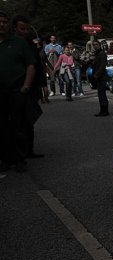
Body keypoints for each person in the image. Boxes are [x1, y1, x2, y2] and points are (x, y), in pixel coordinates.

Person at [0, 10, 35, 173]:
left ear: (9, 25)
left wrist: (26, 86)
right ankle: (5, 159)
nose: (2, 24)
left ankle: (20, 159)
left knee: (18, 125)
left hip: (17, 90)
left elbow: (30, 65)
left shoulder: (20, 43)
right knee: (2, 127)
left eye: (4, 22)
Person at [12, 14, 45, 159]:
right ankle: (16, 152)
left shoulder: (30, 44)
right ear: (14, 28)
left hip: (30, 87)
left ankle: (29, 150)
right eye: (21, 28)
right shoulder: (9, 43)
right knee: (14, 121)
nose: (24, 31)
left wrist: (42, 85)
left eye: (26, 29)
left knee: (29, 119)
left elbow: (37, 65)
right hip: (13, 86)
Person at [91, 40, 109, 117]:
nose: (95, 46)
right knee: (100, 94)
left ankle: (104, 111)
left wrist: (96, 75)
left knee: (102, 95)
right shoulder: (97, 54)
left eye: (96, 44)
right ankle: (103, 110)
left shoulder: (102, 53)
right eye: (94, 45)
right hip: (99, 77)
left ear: (99, 45)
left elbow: (103, 66)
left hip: (102, 77)